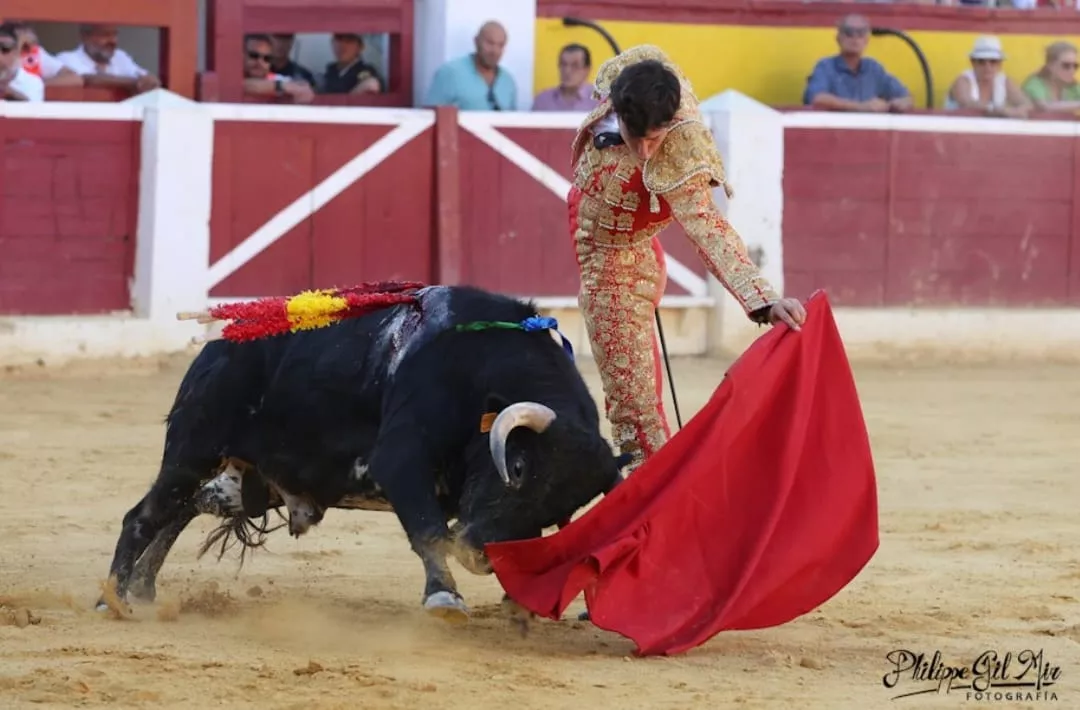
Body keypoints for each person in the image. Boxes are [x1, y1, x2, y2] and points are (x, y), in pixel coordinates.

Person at [568, 45, 805, 473]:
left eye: (654, 139)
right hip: (608, 240)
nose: (645, 152)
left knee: (635, 414)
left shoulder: (680, 149)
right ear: (617, 110)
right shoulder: (628, 81)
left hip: (617, 267)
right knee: (637, 403)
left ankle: (656, 507)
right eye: (635, 137)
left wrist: (765, 301)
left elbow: (709, 230)